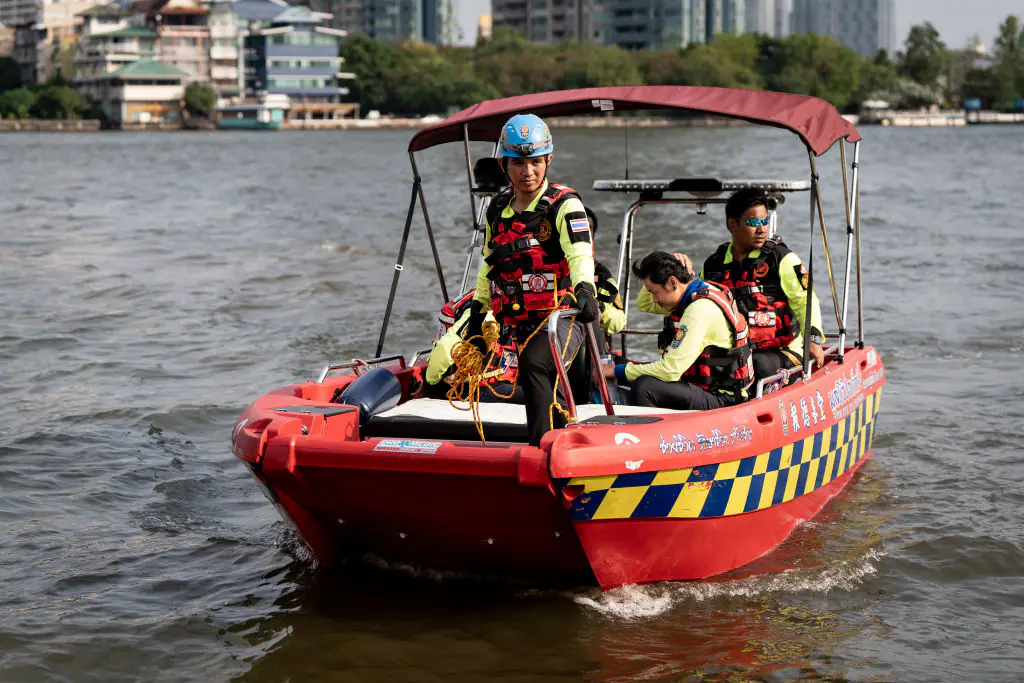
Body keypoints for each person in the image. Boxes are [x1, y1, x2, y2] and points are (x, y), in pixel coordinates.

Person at [464, 113, 599, 446]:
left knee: (535, 363)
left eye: (536, 163)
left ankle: (540, 450)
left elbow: (580, 255)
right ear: (504, 164)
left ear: (548, 160)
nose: (528, 172)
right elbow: (489, 262)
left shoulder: (565, 206)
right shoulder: (497, 210)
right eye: (519, 164)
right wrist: (478, 312)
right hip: (519, 319)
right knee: (533, 374)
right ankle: (557, 440)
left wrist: (585, 289)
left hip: (563, 316)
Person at [686, 189, 824, 381]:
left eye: (764, 221)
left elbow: (806, 302)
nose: (762, 229)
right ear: (732, 224)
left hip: (782, 351)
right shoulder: (714, 264)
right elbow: (695, 302)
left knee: (756, 364)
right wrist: (679, 271)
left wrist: (813, 340)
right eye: (753, 223)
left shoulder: (781, 258)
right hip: (735, 350)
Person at [603, 251, 753, 410]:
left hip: (721, 397)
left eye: (653, 292)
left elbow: (669, 371)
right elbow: (644, 304)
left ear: (672, 283)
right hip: (697, 383)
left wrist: (615, 371)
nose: (653, 299)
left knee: (644, 387)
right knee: (617, 362)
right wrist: (667, 263)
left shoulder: (699, 310)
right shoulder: (696, 291)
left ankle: (653, 432)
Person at [421, 288, 522, 402]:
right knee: (536, 395)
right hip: (478, 389)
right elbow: (445, 349)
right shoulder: (485, 313)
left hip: (506, 384)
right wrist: (430, 384)